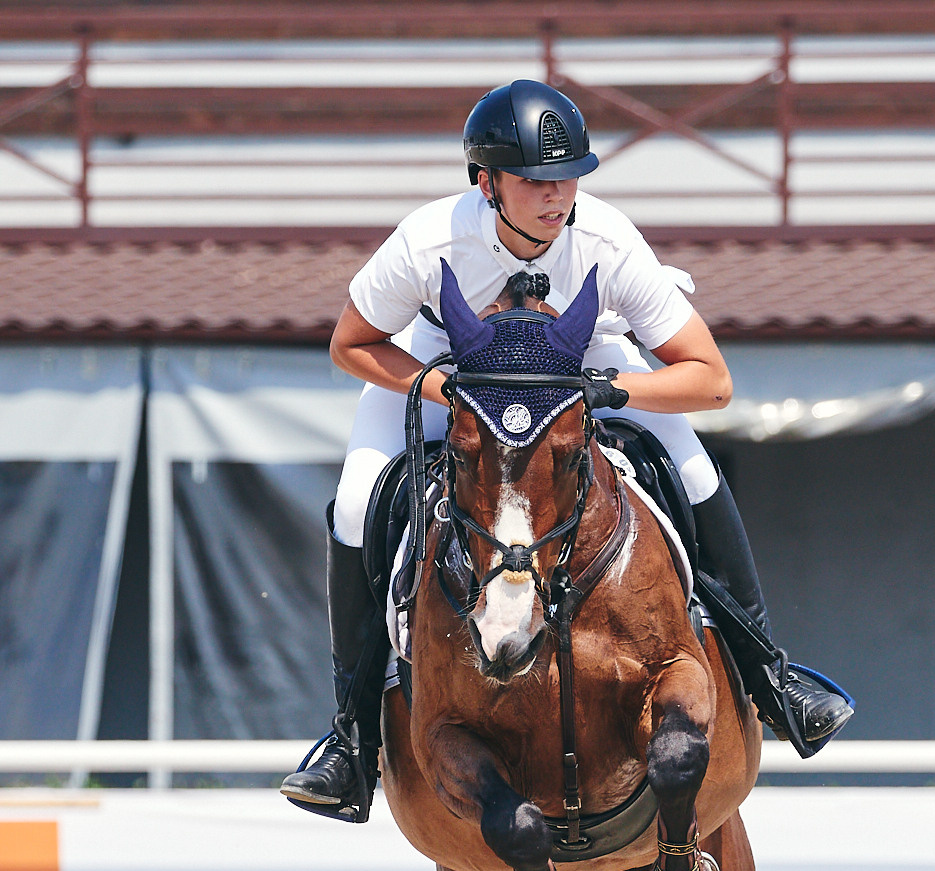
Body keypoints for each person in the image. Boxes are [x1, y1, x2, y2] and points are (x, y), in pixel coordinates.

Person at [281, 79, 855, 822]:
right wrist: (451, 392)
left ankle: (770, 675)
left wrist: (609, 390)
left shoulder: (606, 242)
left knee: (692, 468)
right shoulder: (428, 240)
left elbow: (711, 381)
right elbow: (350, 345)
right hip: (447, 367)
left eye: (568, 176)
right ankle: (352, 736)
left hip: (587, 365)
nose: (556, 196)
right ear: (486, 183)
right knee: (359, 503)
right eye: (534, 180)